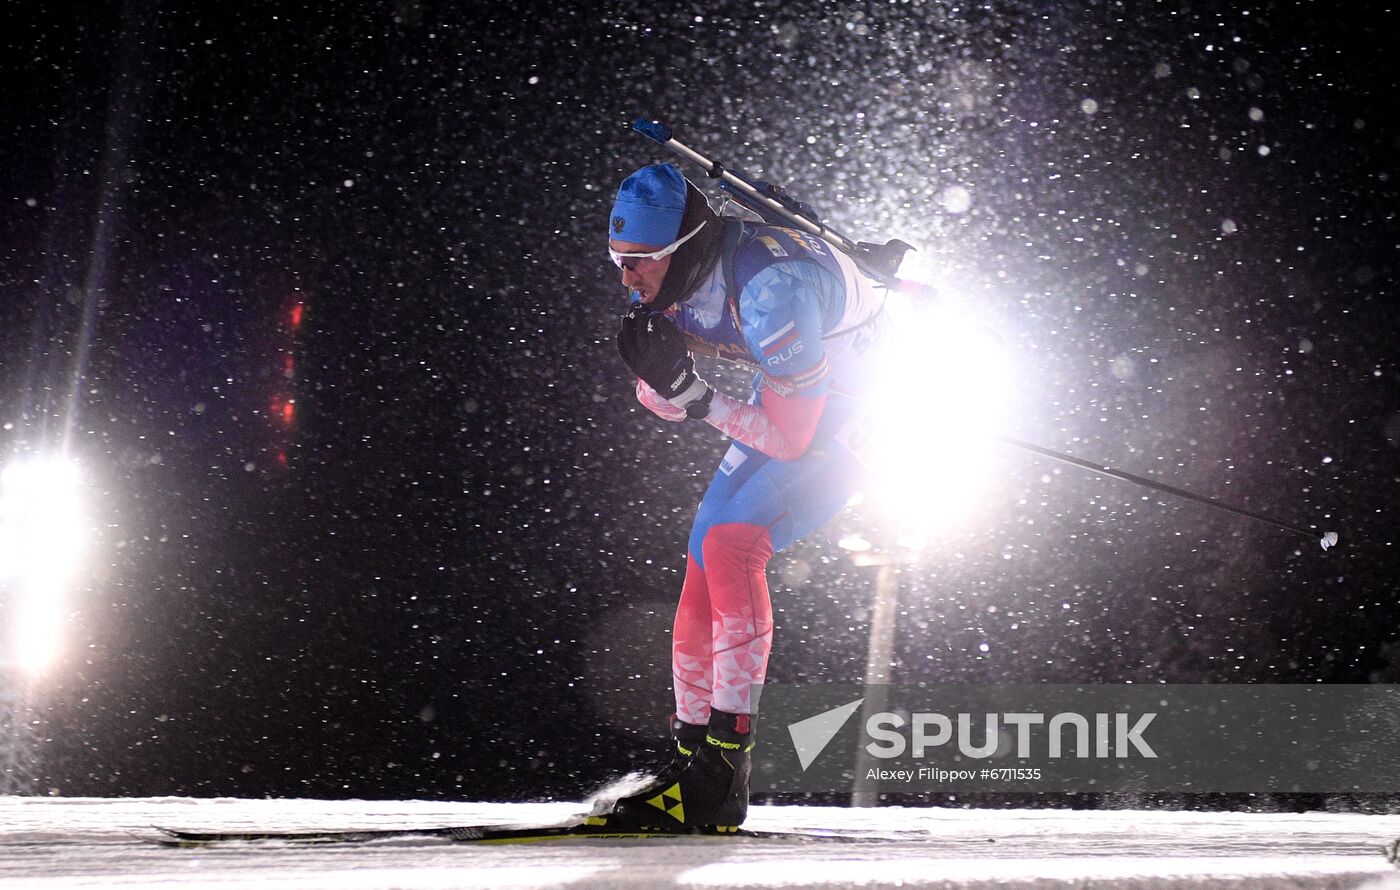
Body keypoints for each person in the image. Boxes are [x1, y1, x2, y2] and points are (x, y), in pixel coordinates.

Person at [602, 163, 891, 830]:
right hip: (796, 395)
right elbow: (664, 395)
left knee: (734, 546)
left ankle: (724, 774)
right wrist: (664, 384)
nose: (626, 277)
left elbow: (790, 443)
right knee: (703, 547)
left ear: (681, 249)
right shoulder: (681, 267)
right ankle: (689, 762)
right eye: (616, 260)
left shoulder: (770, 294)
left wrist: (693, 395)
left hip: (856, 411)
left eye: (639, 262)